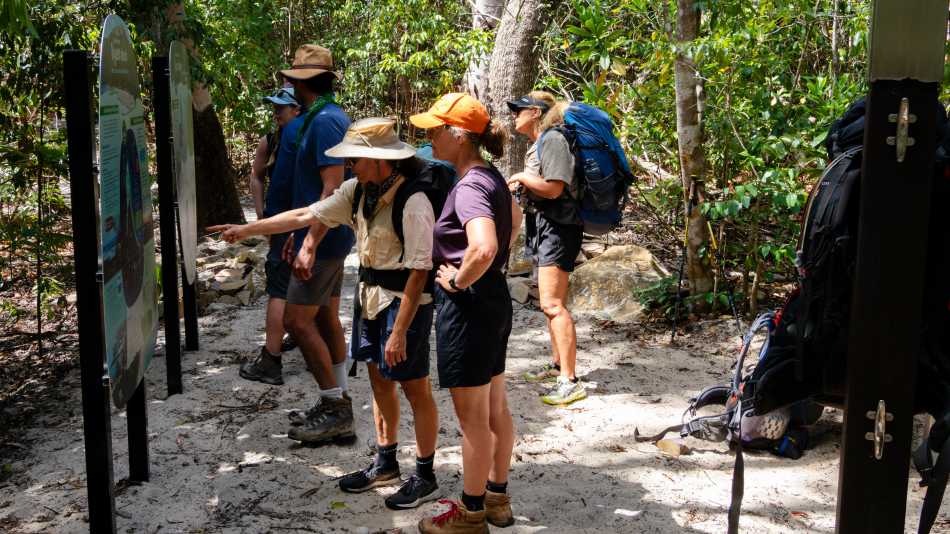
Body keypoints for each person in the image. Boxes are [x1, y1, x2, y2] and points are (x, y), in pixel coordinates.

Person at [211, 118, 443, 509]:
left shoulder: (413, 200)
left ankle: (425, 474)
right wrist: (247, 230)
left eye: (356, 158)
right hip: (371, 299)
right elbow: (307, 214)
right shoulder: (358, 191)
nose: (350, 165)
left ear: (379, 160)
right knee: (379, 383)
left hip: (403, 306)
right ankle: (386, 464)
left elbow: (421, 269)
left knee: (414, 387)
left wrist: (401, 330)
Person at [410, 93, 518, 533]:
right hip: (493, 302)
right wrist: (484, 273)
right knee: (495, 408)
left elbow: (486, 244)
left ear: (458, 136)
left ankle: (470, 515)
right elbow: (513, 219)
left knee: (474, 421)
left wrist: (458, 280)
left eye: (436, 130)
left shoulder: (470, 185)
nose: (429, 137)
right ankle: (497, 498)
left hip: (469, 308)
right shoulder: (490, 177)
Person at [506, 92, 587, 406]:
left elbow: (554, 188)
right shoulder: (542, 142)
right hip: (547, 226)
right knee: (549, 303)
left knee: (554, 306)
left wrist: (522, 176)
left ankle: (570, 380)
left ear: (536, 113)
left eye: (519, 110)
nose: (515, 115)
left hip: (560, 228)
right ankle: (557, 366)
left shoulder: (552, 140)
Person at [239, 87, 300, 385]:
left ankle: (271, 360)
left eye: (283, 107)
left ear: (297, 110)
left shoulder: (306, 138)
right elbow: (256, 175)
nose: (276, 112)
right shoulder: (272, 139)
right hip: (283, 222)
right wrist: (262, 215)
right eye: (274, 107)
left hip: (298, 223)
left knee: (280, 290)